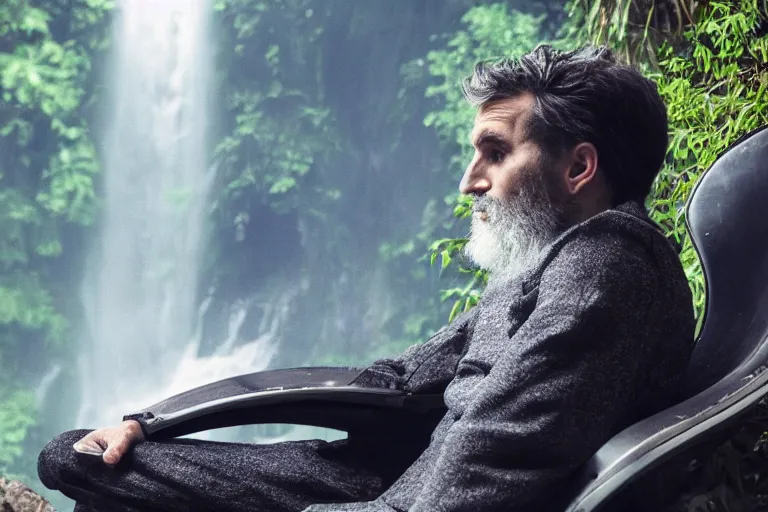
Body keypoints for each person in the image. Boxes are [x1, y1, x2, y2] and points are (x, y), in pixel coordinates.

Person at [38, 44, 695, 512]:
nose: (469, 181)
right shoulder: (551, 263)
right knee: (82, 458)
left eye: (495, 153)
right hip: (390, 477)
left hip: (405, 498)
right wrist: (152, 422)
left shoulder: (609, 270)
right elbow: (395, 383)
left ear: (579, 168)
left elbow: (496, 463)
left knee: (104, 488)